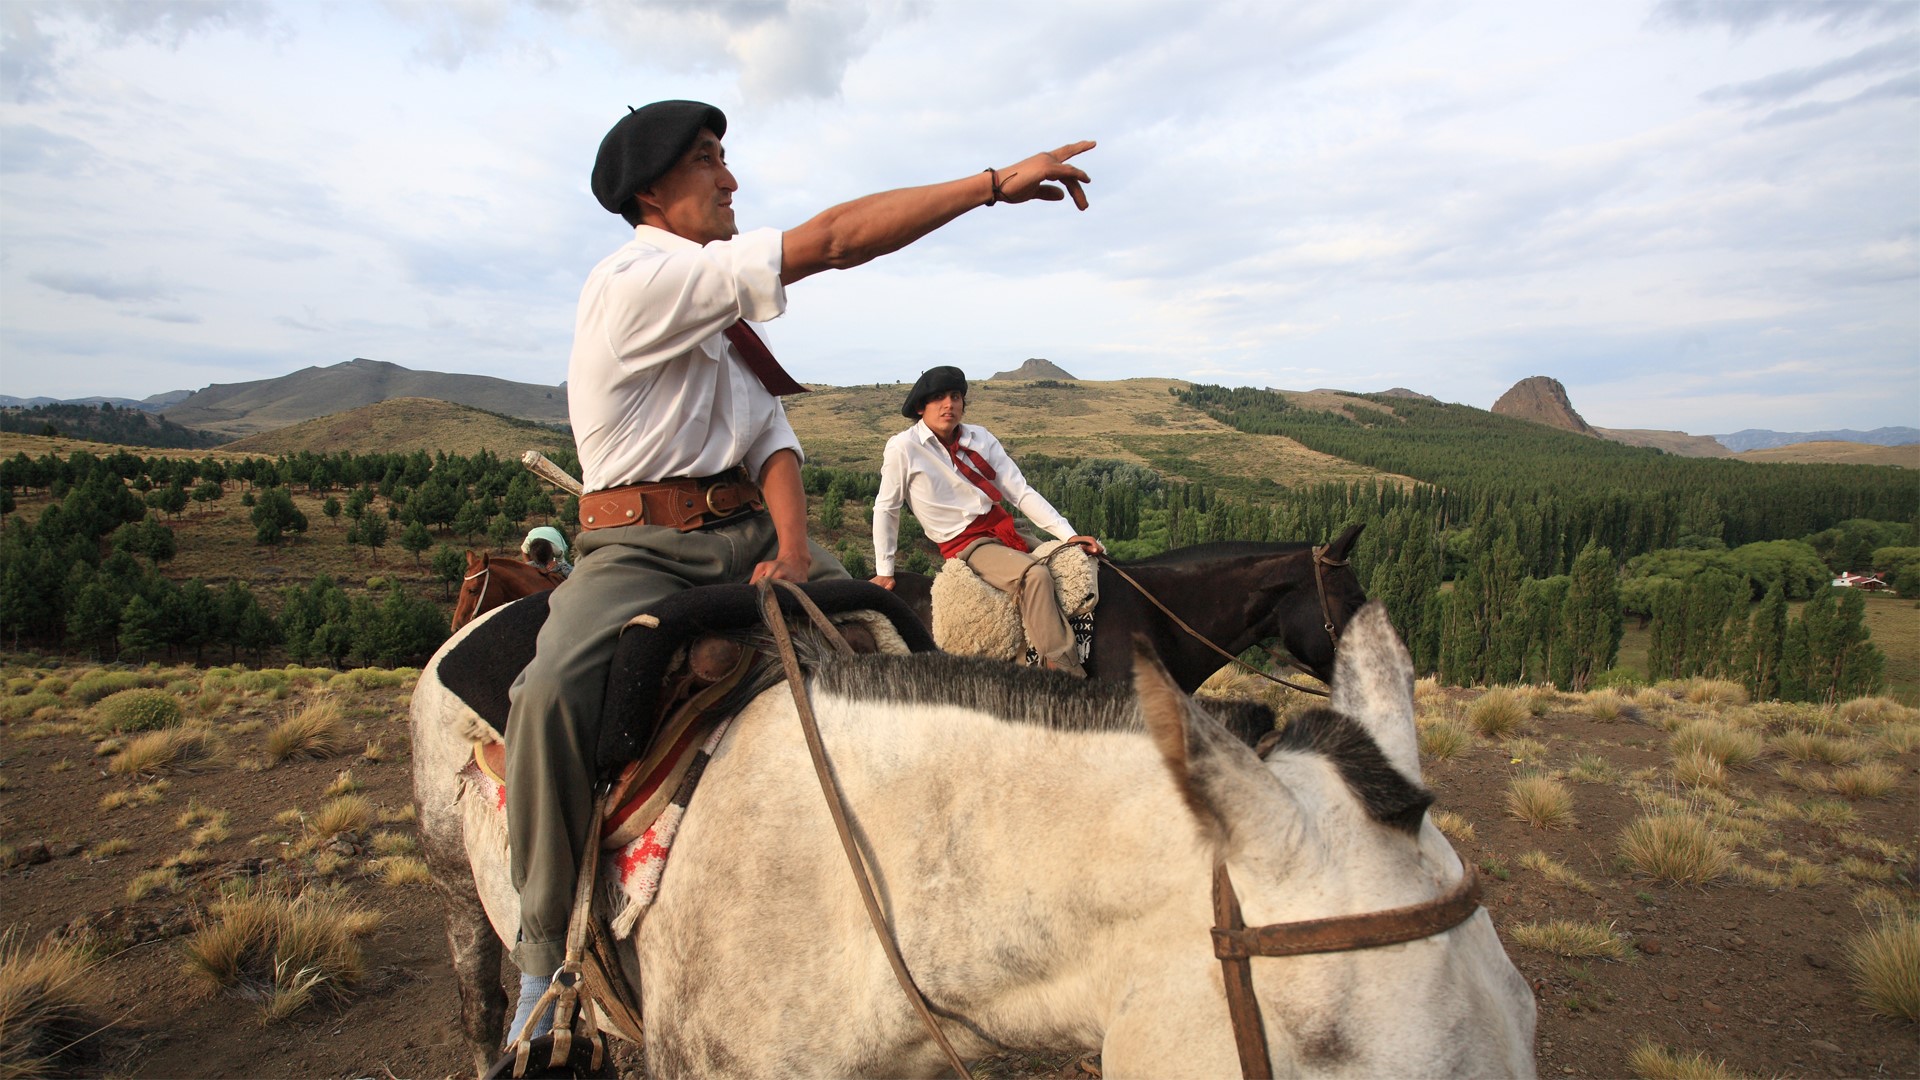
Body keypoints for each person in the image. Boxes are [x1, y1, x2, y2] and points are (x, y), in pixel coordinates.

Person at [502, 98, 1097, 1044]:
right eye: (708, 161)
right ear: (653, 192)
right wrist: (990, 186)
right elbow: (832, 240)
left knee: (892, 651)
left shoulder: (719, 332)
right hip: (641, 548)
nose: (731, 178)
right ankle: (541, 971)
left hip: (747, 534)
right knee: (546, 699)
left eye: (725, 158)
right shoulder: (641, 280)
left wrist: (789, 549)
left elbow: (773, 442)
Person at [870, 366, 1104, 677]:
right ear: (920, 407)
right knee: (1034, 577)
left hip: (1004, 528)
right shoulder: (904, 447)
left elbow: (1020, 492)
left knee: (1074, 560)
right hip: (966, 543)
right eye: (938, 398)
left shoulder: (980, 438)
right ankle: (1062, 671)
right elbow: (887, 508)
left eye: (956, 397)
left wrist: (1068, 535)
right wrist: (884, 570)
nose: (949, 405)